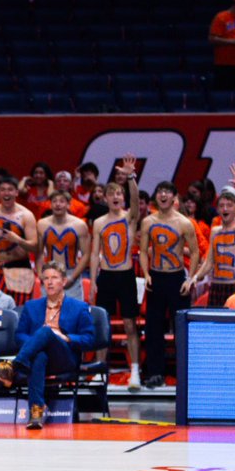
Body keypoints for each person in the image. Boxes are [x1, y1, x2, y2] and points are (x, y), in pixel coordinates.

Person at [0, 262, 96, 430]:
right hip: (38, 358)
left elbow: (89, 339)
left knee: (45, 332)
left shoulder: (79, 307)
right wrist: (35, 343)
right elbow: (19, 335)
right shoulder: (31, 306)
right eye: (46, 278)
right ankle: (36, 411)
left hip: (64, 358)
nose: (49, 282)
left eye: (54, 278)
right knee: (39, 355)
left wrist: (66, 337)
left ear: (64, 282)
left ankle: (12, 368)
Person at [138, 181, 200, 389]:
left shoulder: (184, 223)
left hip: (176, 278)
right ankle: (156, 373)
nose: (163, 195)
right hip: (156, 277)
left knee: (181, 327)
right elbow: (144, 250)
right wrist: (146, 274)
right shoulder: (148, 221)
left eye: (167, 192)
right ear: (156, 197)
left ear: (174, 197)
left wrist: (190, 278)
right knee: (153, 327)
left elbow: (195, 251)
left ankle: (185, 372)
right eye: (160, 191)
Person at [89, 155, 141, 389]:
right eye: (112, 194)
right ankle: (100, 370)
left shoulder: (130, 217)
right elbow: (93, 254)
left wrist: (130, 177)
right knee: (103, 324)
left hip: (126, 275)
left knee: (130, 324)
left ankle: (135, 372)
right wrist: (93, 282)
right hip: (106, 276)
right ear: (106, 198)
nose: (116, 197)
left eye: (120, 194)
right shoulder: (99, 222)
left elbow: (137, 200)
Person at [184, 164, 235, 308]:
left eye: (229, 205)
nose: (225, 208)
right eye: (222, 205)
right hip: (216, 286)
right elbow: (209, 262)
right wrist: (195, 277)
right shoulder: (215, 231)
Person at [0, 175, 39, 305]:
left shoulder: (27, 215)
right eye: (3, 189)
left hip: (21, 268)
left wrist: (18, 240)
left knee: (19, 310)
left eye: (10, 189)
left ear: (16, 192)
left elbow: (35, 246)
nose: (6, 193)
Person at [36, 191, 90, 298]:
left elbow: (86, 255)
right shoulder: (42, 224)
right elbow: (39, 252)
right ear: (50, 204)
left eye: (62, 201)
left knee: (74, 313)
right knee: (48, 312)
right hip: (49, 273)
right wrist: (41, 275)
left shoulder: (80, 225)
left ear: (69, 204)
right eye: (54, 201)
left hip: (70, 273)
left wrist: (72, 278)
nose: (58, 204)